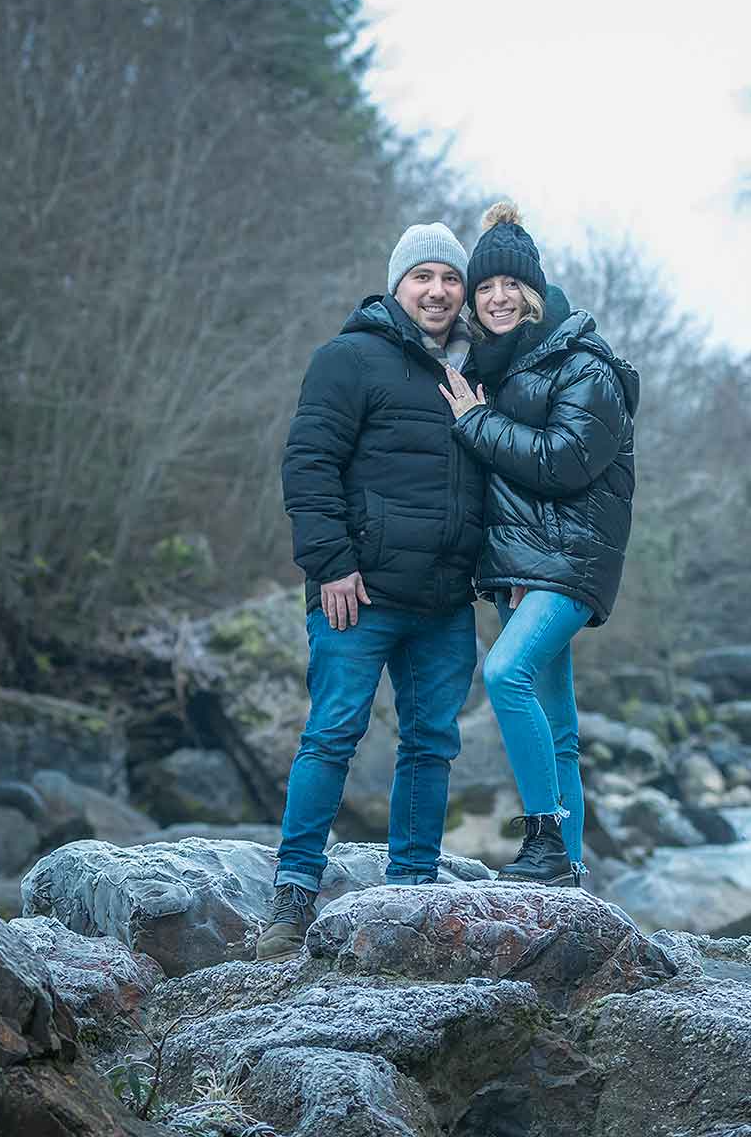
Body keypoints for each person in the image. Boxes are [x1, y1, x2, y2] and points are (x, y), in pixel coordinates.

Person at [258, 221, 486, 960]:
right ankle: (293, 895)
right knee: (332, 736)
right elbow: (309, 465)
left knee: (430, 746)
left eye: (451, 279)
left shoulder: (478, 375)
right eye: (423, 276)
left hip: (446, 602)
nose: (438, 291)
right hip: (357, 595)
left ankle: (412, 890)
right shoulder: (348, 359)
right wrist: (329, 565)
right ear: (397, 285)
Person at [438, 201, 638, 889]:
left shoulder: (585, 365)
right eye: (484, 286)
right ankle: (569, 876)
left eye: (508, 286)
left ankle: (545, 841)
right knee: (558, 730)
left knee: (504, 675)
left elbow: (564, 462)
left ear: (533, 293)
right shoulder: (490, 367)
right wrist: (507, 566)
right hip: (525, 568)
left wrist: (475, 422)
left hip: (574, 561)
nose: (496, 297)